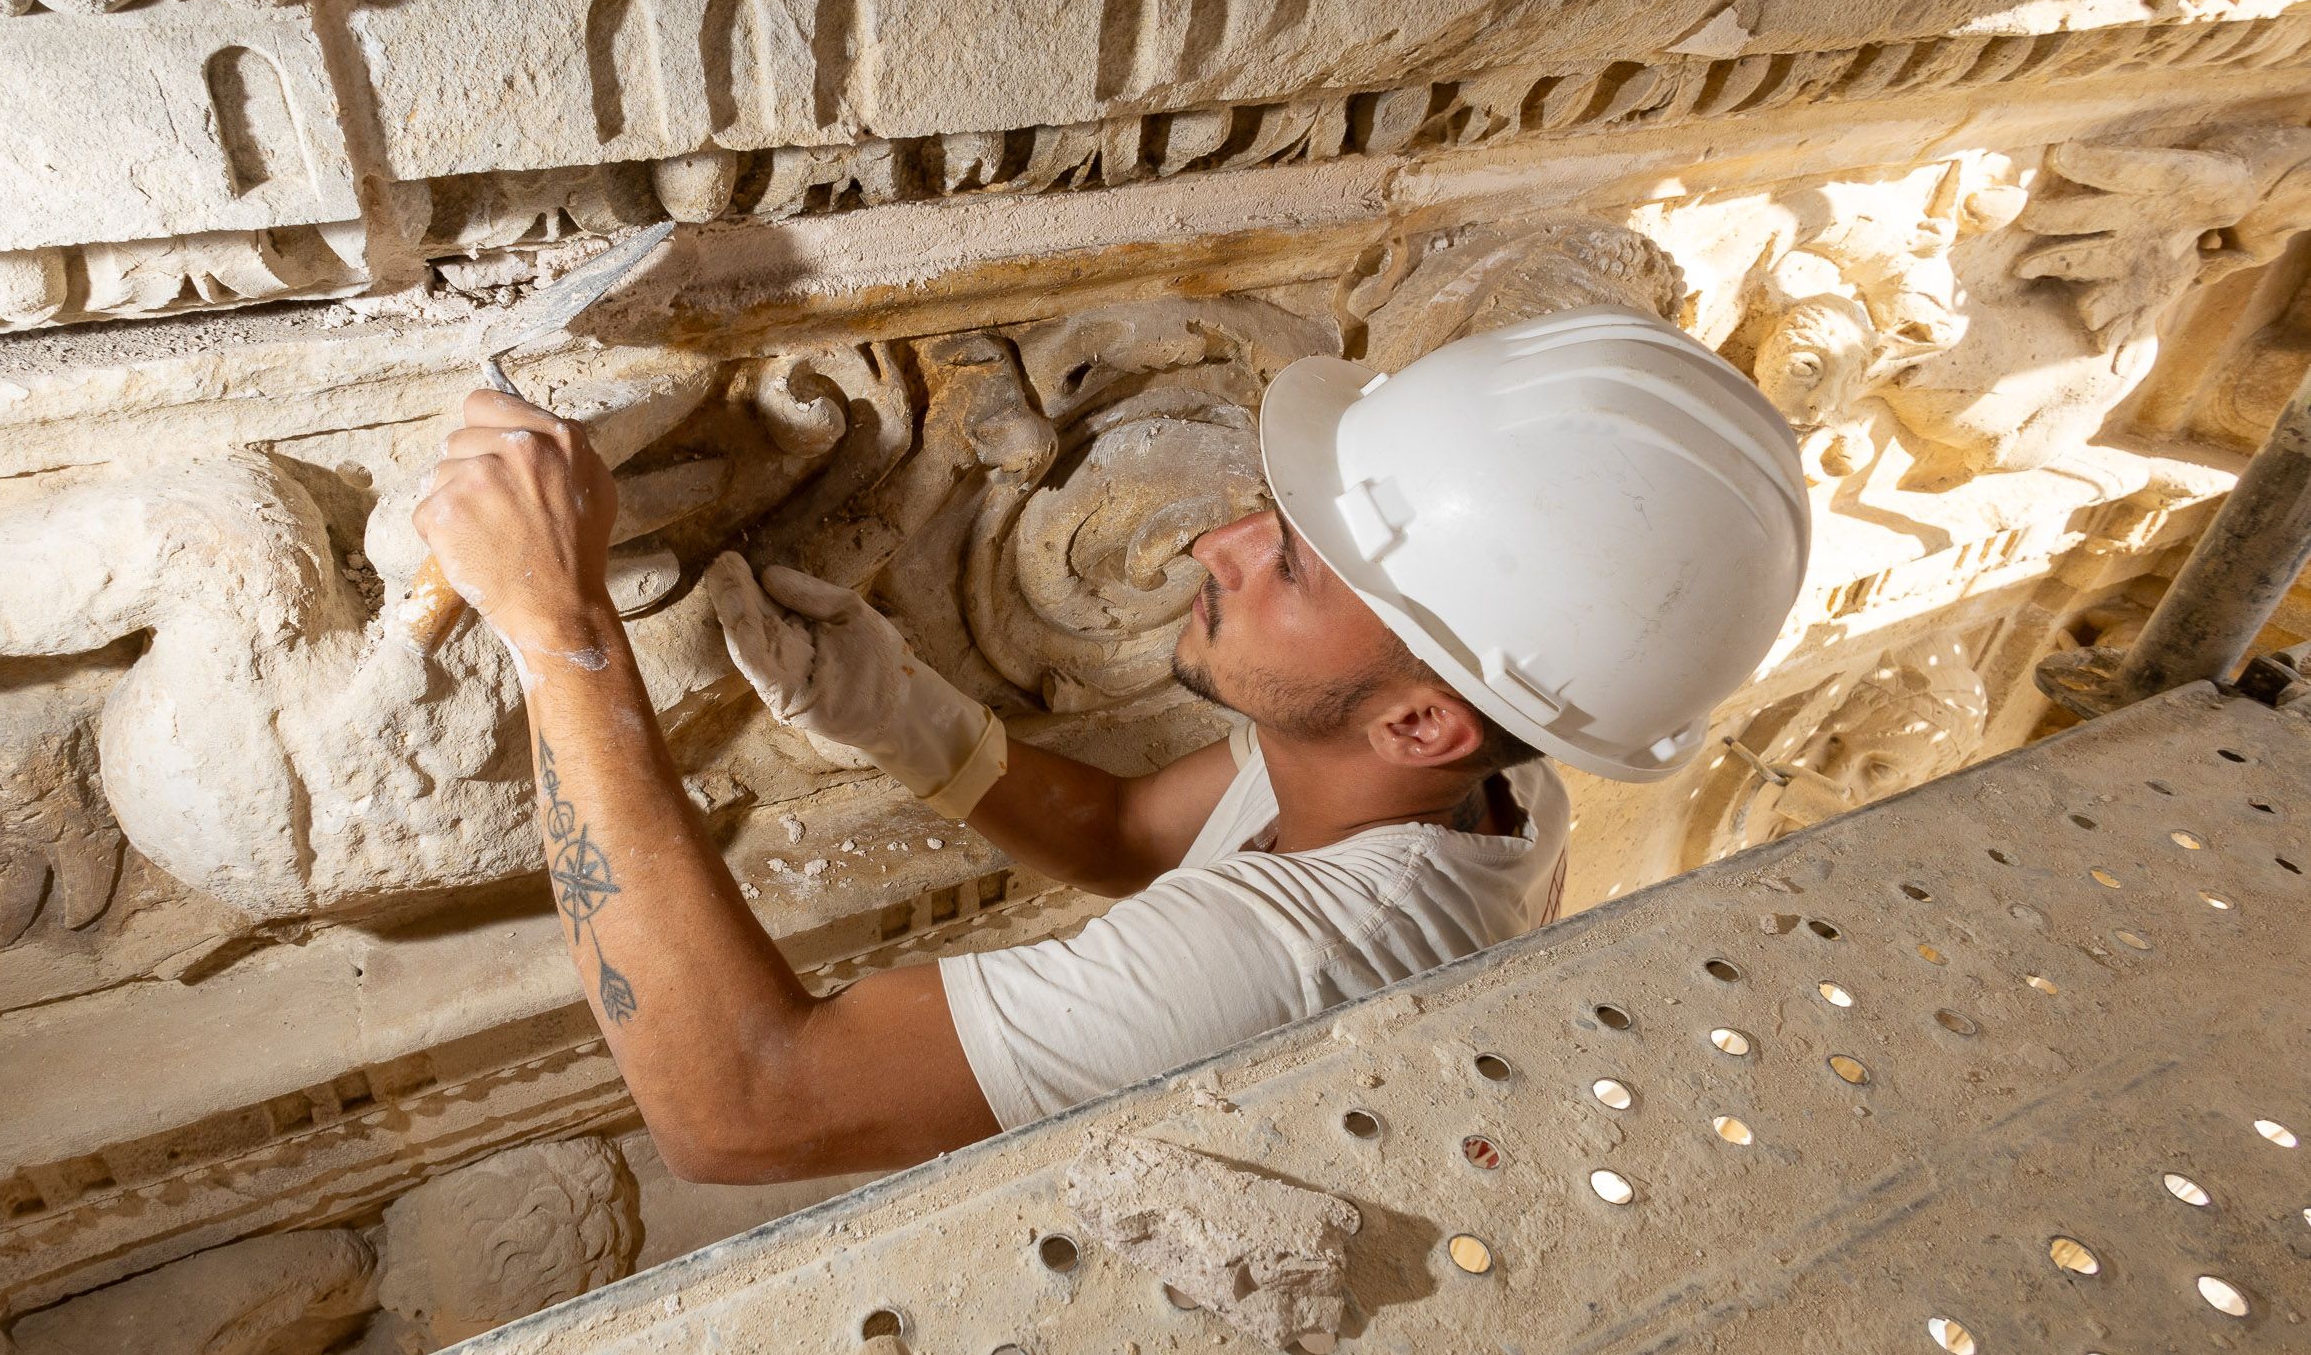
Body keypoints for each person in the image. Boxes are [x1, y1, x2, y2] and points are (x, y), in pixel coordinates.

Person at [414, 307, 1809, 1183]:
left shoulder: (1277, 960)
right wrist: (897, 711)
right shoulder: (1469, 773)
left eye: (1299, 569)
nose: (1223, 542)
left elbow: (744, 1111)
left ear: (1420, 717)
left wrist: (556, 625)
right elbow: (1132, 837)